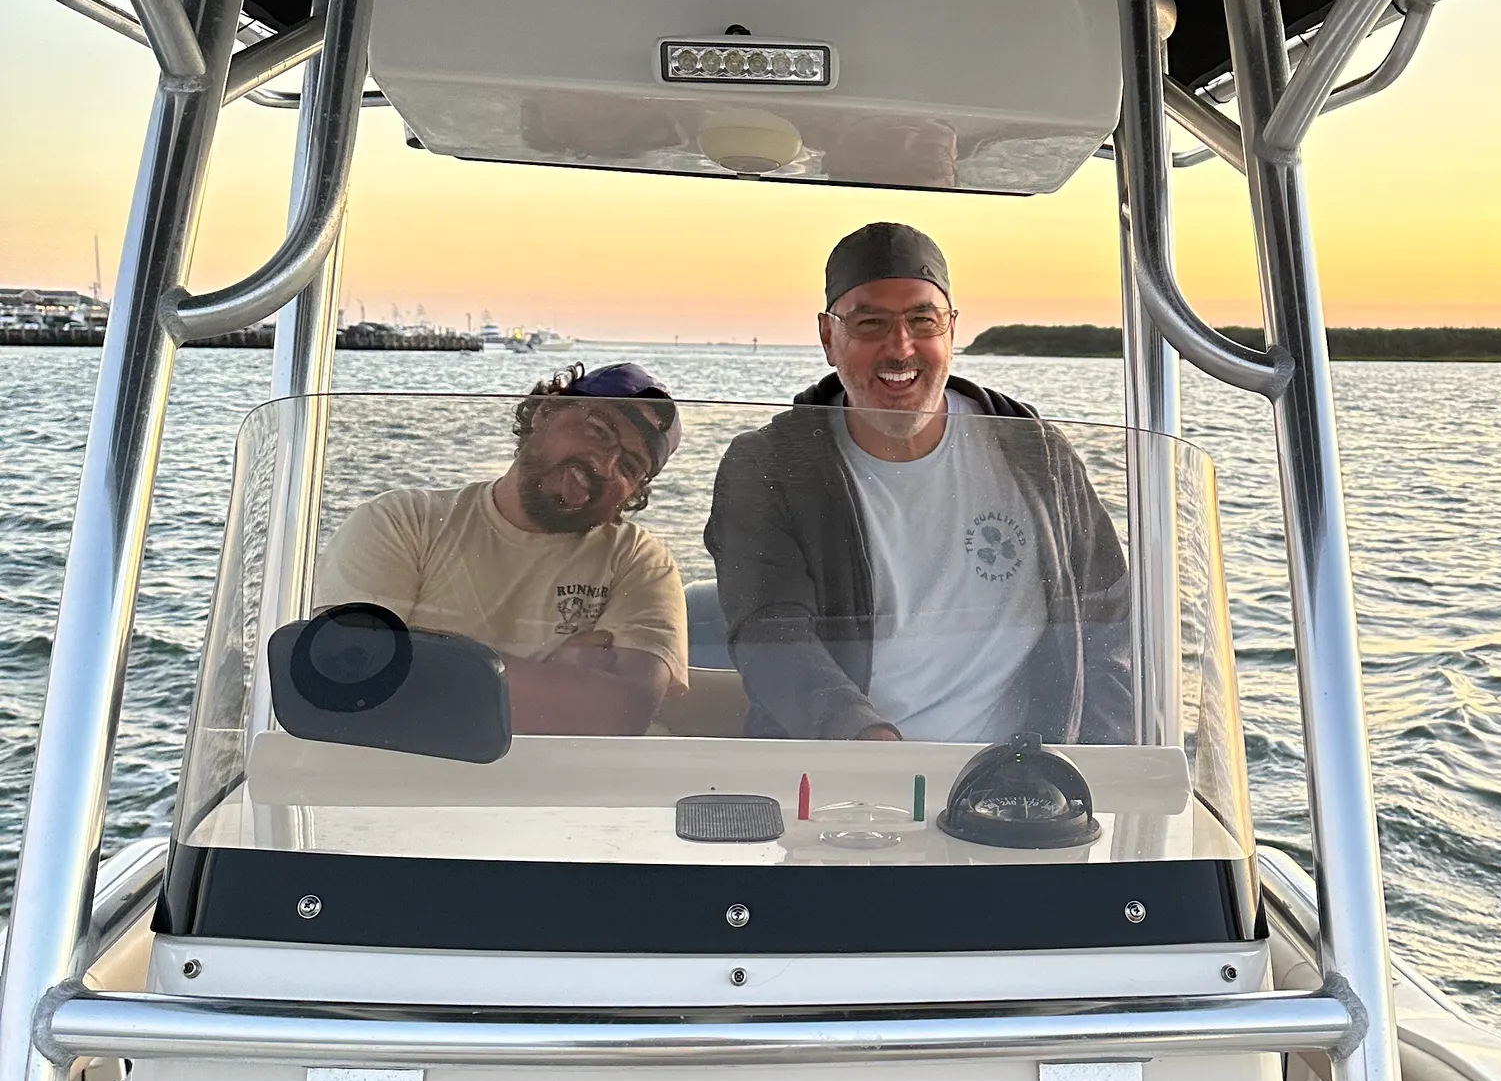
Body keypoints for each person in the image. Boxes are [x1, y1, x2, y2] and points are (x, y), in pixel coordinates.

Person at [704, 223, 1130, 743]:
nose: (900, 347)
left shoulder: (1036, 453)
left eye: (923, 320)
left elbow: (1108, 617)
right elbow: (770, 633)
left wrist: (1106, 759)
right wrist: (863, 742)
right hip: (836, 764)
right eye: (870, 323)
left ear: (951, 330)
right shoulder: (770, 466)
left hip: (1016, 778)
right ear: (828, 338)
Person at [312, 362, 688, 734]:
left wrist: (417, 658)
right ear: (545, 411)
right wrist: (555, 679)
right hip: (399, 770)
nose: (605, 466)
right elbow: (351, 676)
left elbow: (618, 715)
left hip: (555, 775)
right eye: (599, 431)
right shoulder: (404, 521)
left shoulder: (638, 561)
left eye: (630, 467)